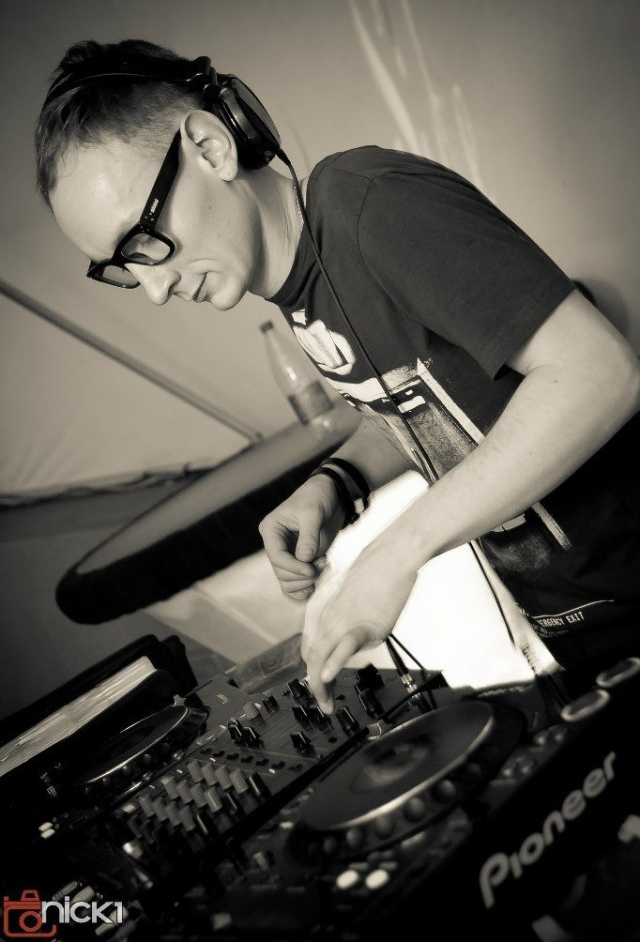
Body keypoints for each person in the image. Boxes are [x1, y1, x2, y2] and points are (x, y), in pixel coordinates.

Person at [36, 39, 640, 718]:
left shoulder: (368, 200)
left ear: (210, 147)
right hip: (582, 625)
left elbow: (598, 372)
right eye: (120, 269)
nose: (153, 289)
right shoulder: (302, 290)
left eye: (142, 241)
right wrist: (337, 481)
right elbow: (426, 394)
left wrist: (396, 551)